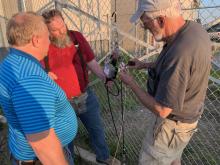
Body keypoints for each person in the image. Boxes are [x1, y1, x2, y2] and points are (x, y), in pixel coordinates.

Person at [119, 0, 211, 164]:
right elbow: (176, 68)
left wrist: (131, 83)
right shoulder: (193, 30)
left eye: (146, 25)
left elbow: (162, 110)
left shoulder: (180, 52)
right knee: (173, 158)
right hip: (185, 124)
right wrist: (144, 65)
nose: (146, 29)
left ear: (161, 20)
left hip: (171, 128)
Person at [0, 12, 77, 165]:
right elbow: (42, 143)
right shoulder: (29, 78)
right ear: (36, 40)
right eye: (47, 36)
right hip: (40, 159)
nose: (49, 41)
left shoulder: (13, 61)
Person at [42, 9, 112, 164]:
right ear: (46, 31)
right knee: (66, 137)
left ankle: (104, 158)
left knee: (97, 129)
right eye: (55, 30)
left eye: (62, 26)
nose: (61, 32)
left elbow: (91, 62)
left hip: (85, 95)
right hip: (61, 103)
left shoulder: (76, 37)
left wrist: (105, 78)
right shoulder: (43, 46)